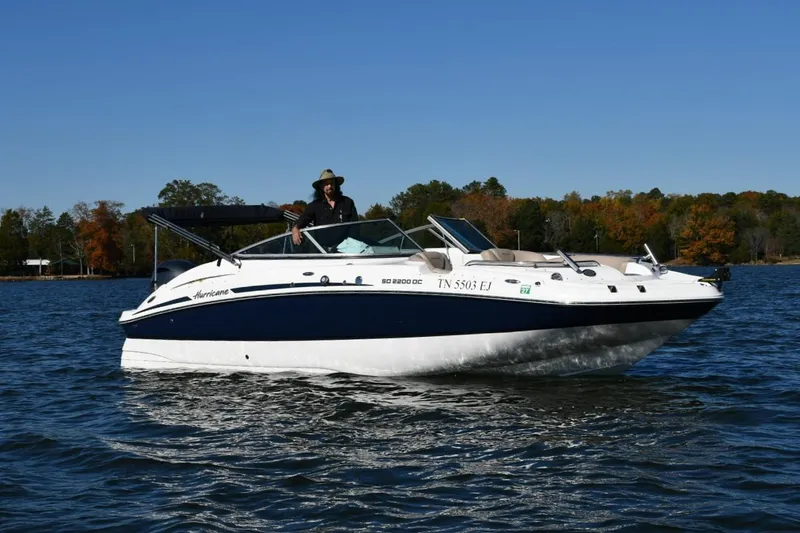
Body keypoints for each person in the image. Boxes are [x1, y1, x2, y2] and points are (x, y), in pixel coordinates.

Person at [292, 169, 358, 245]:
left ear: (336, 185)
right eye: (326, 184)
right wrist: (295, 229)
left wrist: (352, 245)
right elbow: (302, 220)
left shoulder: (348, 202)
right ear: (321, 186)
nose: (329, 186)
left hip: (347, 250)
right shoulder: (315, 205)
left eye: (332, 183)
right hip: (324, 252)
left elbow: (355, 227)